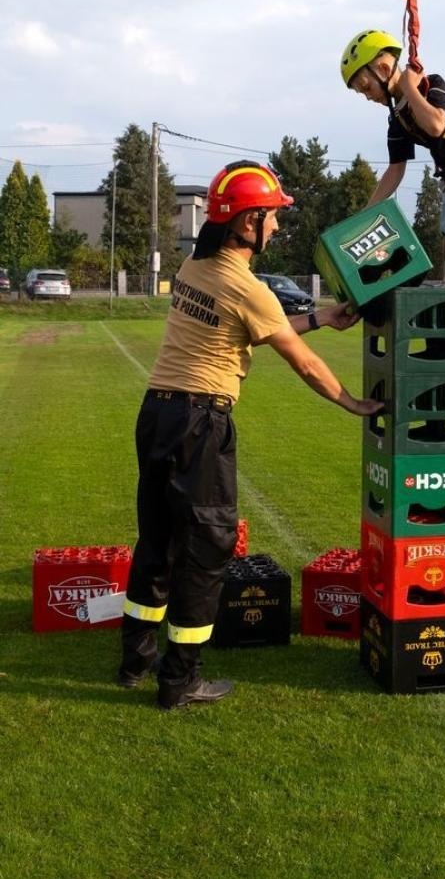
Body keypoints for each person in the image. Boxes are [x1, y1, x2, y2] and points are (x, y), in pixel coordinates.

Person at [118, 160, 382, 710]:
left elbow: (250, 328)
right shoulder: (248, 287)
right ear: (244, 223)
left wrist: (322, 318)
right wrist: (351, 402)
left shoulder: (195, 265)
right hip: (200, 423)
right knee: (208, 550)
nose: (278, 227)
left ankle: (134, 661)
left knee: (158, 540)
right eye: (271, 217)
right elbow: (302, 363)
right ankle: (181, 678)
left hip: (158, 412)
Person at [340, 29, 445, 353]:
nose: (366, 95)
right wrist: (365, 214)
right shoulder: (396, 121)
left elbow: (435, 125)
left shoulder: (432, 87)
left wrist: (410, 89)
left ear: (385, 70)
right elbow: (395, 170)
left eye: (365, 86)